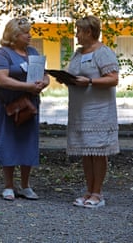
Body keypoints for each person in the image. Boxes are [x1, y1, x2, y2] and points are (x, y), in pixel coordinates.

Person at [61, 15, 119, 208]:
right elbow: (75, 74)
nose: (76, 35)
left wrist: (91, 81)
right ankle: (88, 191)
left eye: (78, 31)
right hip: (80, 111)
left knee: (98, 151)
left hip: (99, 112)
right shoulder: (78, 53)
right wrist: (66, 78)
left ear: (89, 32)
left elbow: (113, 79)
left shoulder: (103, 52)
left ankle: (98, 193)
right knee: (86, 151)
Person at [0, 18, 49, 201]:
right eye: (25, 33)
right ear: (14, 35)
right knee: (7, 140)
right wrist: (27, 87)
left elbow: (45, 75)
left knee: (27, 141)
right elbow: (2, 80)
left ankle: (25, 185)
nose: (29, 36)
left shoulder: (32, 52)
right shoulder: (2, 54)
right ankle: (8, 186)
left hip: (29, 105)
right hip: (7, 105)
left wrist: (43, 83)